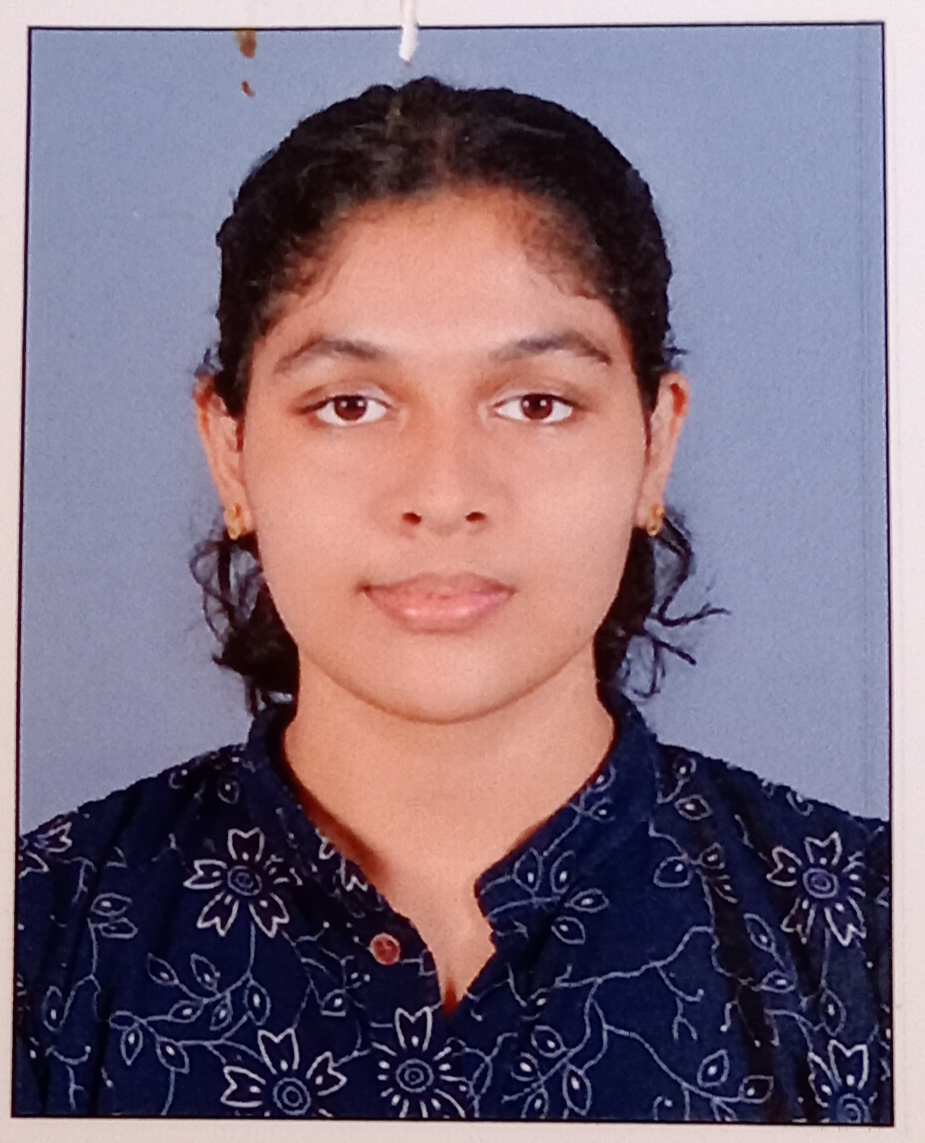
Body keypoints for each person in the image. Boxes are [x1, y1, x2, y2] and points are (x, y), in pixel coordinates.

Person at [14, 77, 890, 1122]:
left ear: (654, 445)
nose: (441, 493)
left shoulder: (873, 942)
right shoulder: (39, 944)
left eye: (536, 403)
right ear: (230, 452)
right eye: (350, 405)